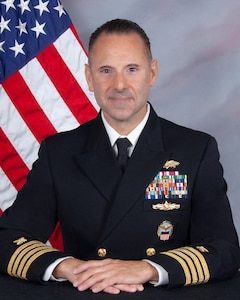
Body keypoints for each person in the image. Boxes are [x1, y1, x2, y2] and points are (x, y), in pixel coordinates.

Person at [0, 18, 239, 295]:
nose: (120, 85)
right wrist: (70, 267)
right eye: (106, 71)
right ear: (89, 78)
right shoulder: (59, 152)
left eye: (132, 70)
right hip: (87, 290)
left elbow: (225, 248)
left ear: (152, 73)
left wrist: (149, 268)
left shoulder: (196, 150)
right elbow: (8, 239)